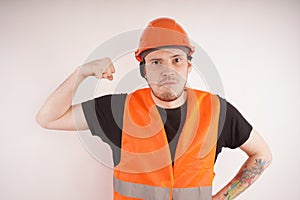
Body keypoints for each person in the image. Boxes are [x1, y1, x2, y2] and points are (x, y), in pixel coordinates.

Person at [36, 17, 272, 200]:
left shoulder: (218, 111)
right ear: (144, 70)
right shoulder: (117, 109)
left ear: (188, 67)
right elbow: (48, 119)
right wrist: (82, 72)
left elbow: (262, 155)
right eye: (156, 62)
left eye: (176, 60)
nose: (167, 70)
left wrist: (222, 198)